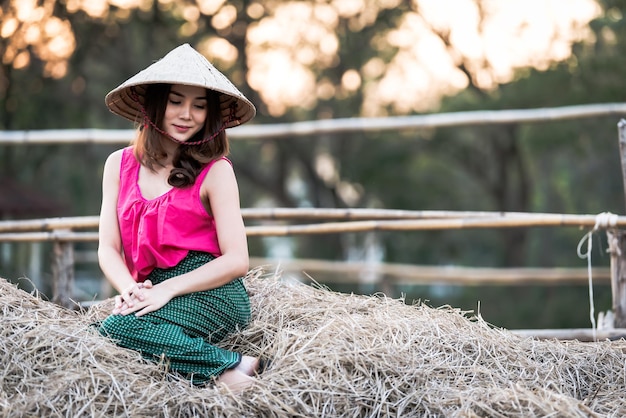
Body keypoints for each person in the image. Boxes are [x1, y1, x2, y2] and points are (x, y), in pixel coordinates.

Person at [96, 43, 261, 391]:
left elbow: (237, 260)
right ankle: (232, 372)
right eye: (176, 101)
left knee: (118, 329)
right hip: (151, 286)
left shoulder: (215, 171)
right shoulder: (118, 165)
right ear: (155, 103)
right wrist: (131, 291)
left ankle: (238, 365)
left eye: (199, 106)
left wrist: (166, 291)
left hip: (211, 289)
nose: (187, 114)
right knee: (110, 330)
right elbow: (108, 248)